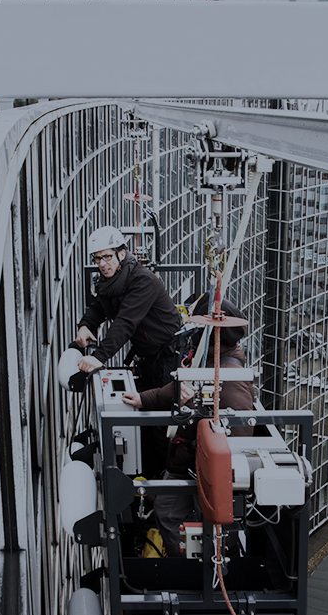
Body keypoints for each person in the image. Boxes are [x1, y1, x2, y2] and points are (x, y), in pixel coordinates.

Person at [122, 296, 255, 556]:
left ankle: (200, 569)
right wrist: (145, 398)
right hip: (190, 461)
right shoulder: (208, 361)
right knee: (168, 509)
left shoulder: (230, 379)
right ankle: (185, 560)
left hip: (206, 467)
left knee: (209, 521)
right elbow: (183, 387)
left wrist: (193, 404)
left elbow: (236, 435)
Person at [74, 226, 182, 391]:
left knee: (162, 408)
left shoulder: (142, 281)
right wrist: (85, 326)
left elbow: (125, 322)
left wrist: (99, 357)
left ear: (122, 254)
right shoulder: (111, 281)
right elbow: (100, 306)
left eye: (107, 256)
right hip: (147, 355)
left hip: (167, 358)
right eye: (97, 258)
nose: (102, 264)